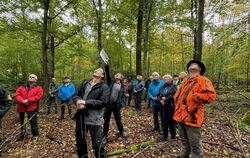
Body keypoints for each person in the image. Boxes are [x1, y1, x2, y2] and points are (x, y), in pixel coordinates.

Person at [174, 60, 216, 158]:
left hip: (193, 118)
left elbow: (211, 96)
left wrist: (196, 96)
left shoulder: (203, 80)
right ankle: (184, 155)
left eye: (194, 65)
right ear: (188, 69)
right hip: (180, 116)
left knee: (194, 143)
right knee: (184, 140)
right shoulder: (185, 81)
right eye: (190, 65)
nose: (191, 66)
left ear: (200, 69)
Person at [73, 68, 110, 158]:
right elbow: (75, 95)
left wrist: (86, 102)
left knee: (98, 145)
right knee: (80, 143)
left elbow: (103, 102)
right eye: (95, 70)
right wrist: (78, 101)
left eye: (99, 70)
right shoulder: (85, 82)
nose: (96, 70)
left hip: (95, 119)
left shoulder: (104, 87)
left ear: (102, 76)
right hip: (81, 117)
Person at [15, 74, 43, 141]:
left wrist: (28, 100)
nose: (31, 78)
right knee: (22, 122)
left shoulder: (38, 88)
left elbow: (38, 96)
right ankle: (22, 135)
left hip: (32, 107)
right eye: (30, 77)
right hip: (22, 107)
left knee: (33, 121)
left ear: (36, 80)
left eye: (33, 77)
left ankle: (35, 136)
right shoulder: (22, 87)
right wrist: (22, 101)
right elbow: (17, 94)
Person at [103, 64, 126, 139]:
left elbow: (123, 96)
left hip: (117, 105)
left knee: (118, 120)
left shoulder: (122, 86)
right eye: (116, 74)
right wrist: (107, 66)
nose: (117, 75)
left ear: (121, 78)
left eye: (119, 75)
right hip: (109, 104)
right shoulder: (111, 82)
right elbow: (107, 73)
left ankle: (121, 131)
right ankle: (104, 135)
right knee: (106, 120)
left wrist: (121, 104)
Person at [158, 74, 177, 141]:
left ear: (170, 79)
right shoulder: (162, 86)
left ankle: (173, 136)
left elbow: (174, 95)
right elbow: (159, 95)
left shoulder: (173, 86)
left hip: (170, 106)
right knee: (163, 121)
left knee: (171, 121)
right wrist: (160, 100)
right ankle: (165, 136)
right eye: (164, 78)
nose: (165, 79)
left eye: (166, 78)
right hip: (163, 106)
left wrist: (166, 98)